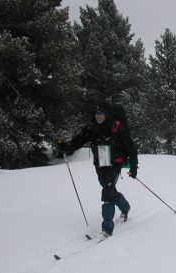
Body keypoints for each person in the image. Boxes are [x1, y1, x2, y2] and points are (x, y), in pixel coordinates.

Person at [56, 102, 138, 238]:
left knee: (107, 190)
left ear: (107, 115)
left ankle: (107, 227)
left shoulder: (117, 128)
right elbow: (78, 141)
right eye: (96, 114)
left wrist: (134, 166)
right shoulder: (92, 128)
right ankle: (125, 207)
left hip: (116, 160)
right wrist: (66, 146)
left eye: (101, 114)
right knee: (108, 187)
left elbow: (131, 147)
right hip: (101, 158)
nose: (98, 117)